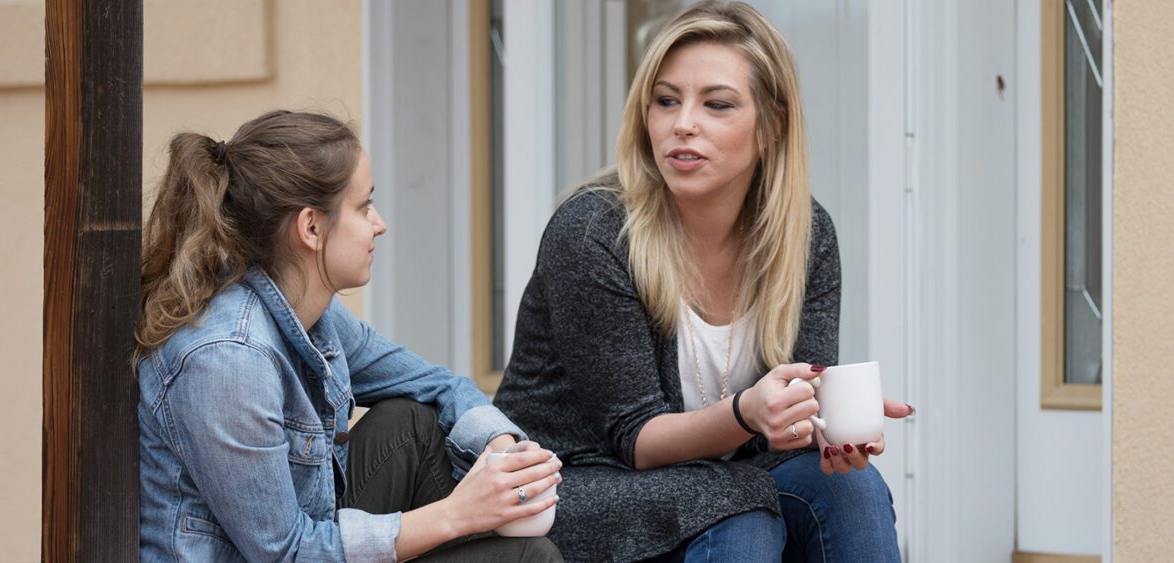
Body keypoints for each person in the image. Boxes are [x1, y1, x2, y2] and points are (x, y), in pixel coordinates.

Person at [493, 2, 913, 561]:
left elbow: (787, 413)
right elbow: (634, 438)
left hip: (723, 479)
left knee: (850, 486)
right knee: (738, 514)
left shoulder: (806, 235)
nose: (682, 123)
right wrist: (747, 412)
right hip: (573, 481)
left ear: (772, 126)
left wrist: (826, 425)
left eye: (716, 104)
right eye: (666, 101)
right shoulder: (594, 230)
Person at [135, 110, 563, 562]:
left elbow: (439, 385)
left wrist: (500, 451)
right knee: (528, 559)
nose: (380, 224)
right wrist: (458, 512)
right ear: (311, 227)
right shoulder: (228, 358)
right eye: (364, 207)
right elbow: (286, 553)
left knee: (411, 423)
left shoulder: (312, 313)